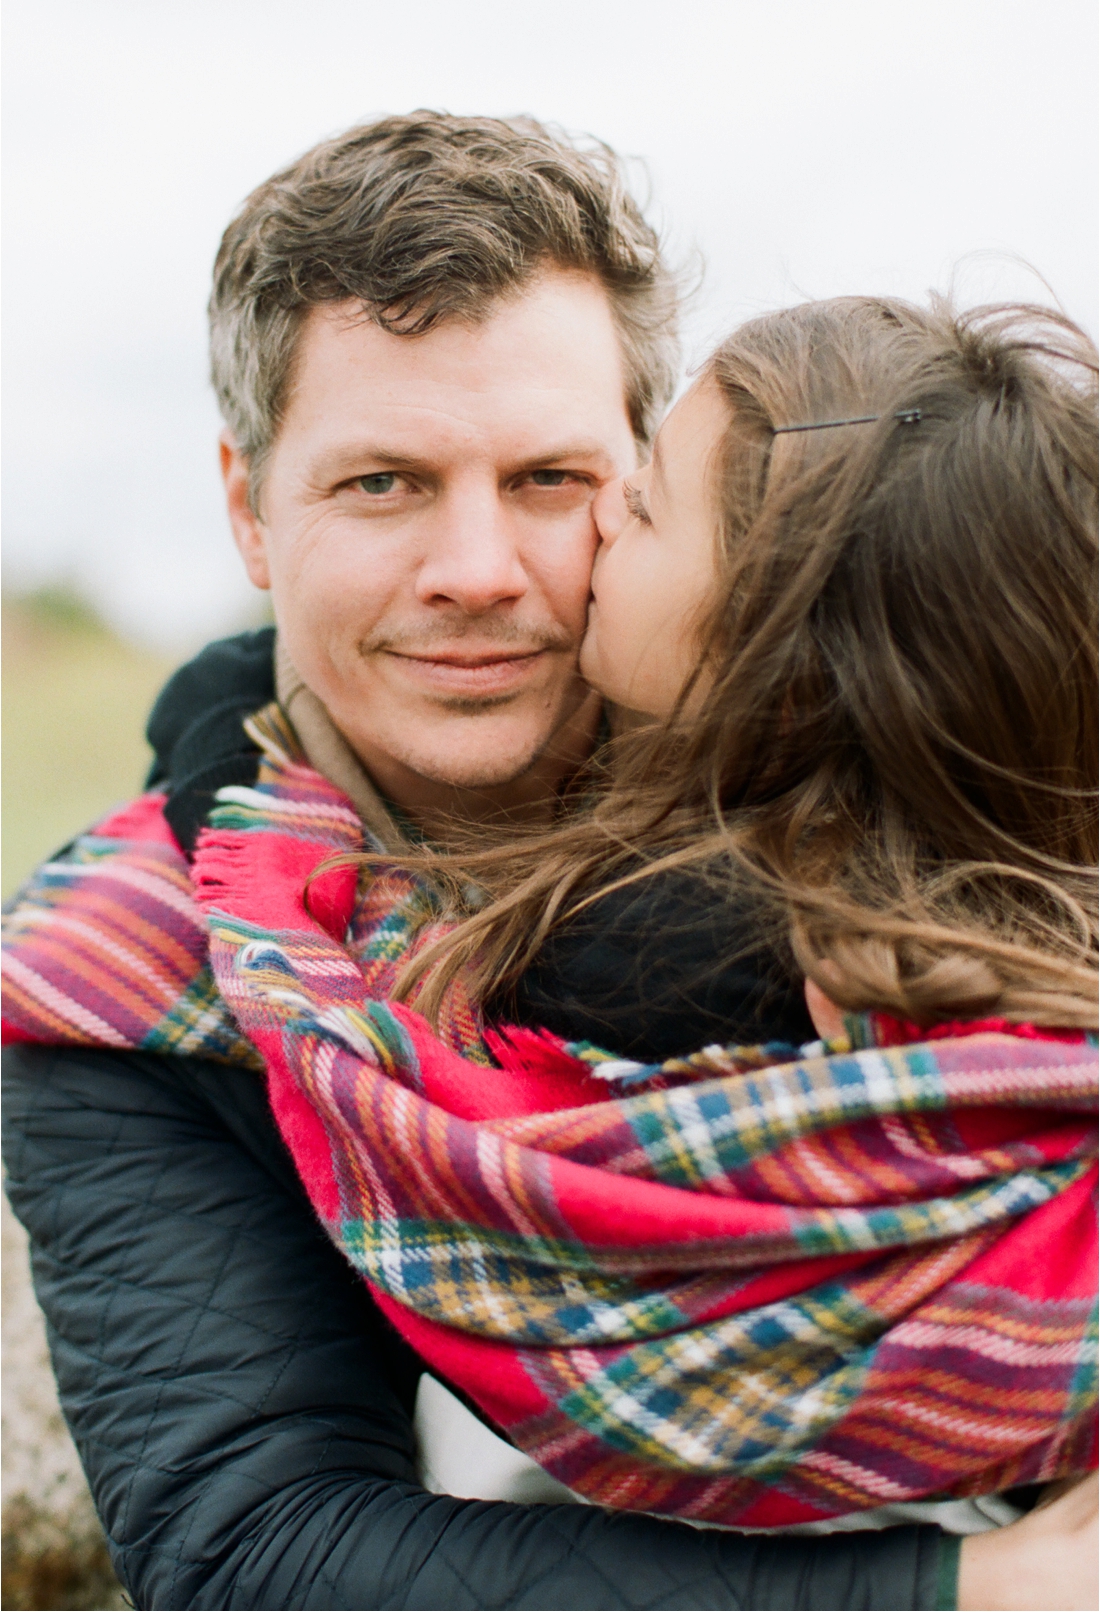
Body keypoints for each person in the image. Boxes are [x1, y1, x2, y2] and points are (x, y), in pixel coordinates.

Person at [2, 111, 1092, 1611]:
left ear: (645, 478)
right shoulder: (126, 964)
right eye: (380, 483)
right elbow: (251, 1541)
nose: (477, 570)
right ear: (251, 509)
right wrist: (956, 1594)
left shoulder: (855, 784)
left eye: (547, 479)